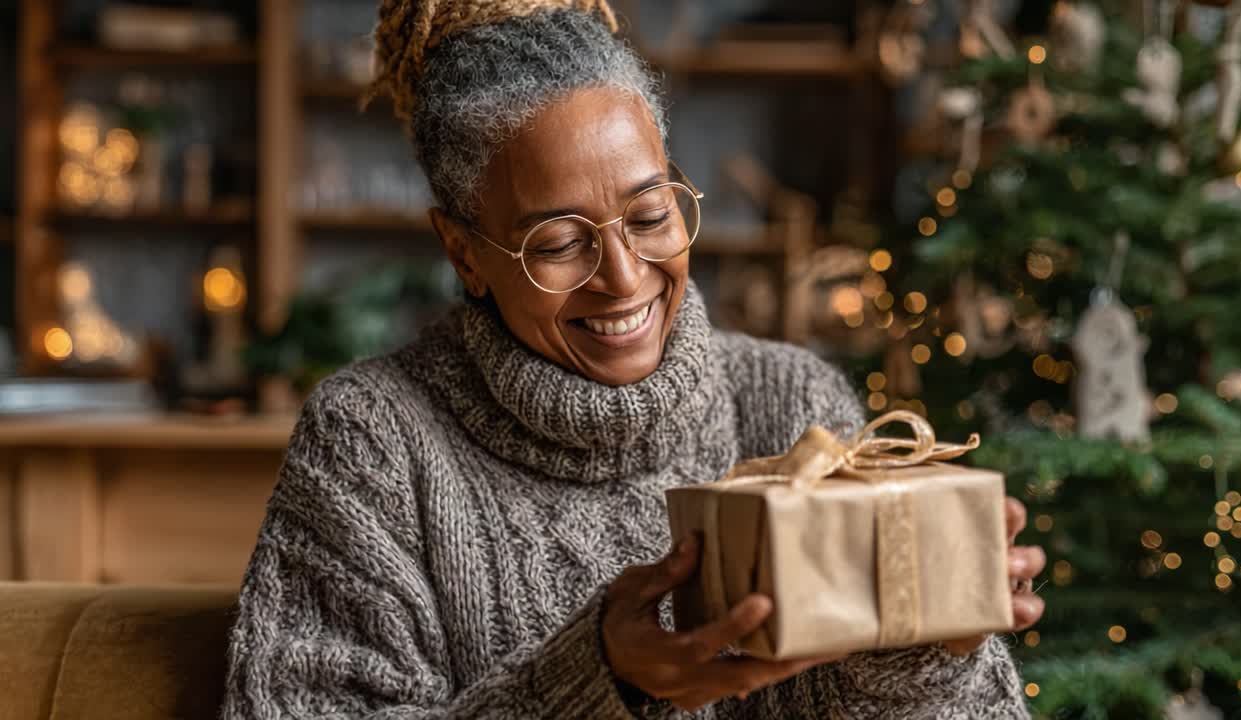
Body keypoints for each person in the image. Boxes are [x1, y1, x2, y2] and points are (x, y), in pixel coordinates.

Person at [221, 1, 1045, 717]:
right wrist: (597, 682)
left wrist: (932, 647)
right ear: (464, 252)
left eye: (649, 215)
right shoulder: (375, 442)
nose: (623, 278)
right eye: (559, 241)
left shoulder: (791, 402)